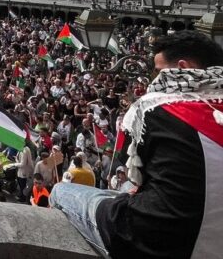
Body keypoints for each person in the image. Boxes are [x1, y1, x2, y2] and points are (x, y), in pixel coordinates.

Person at [51, 30, 223, 258]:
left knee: (61, 191)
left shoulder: (155, 106)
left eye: (159, 71)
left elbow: (136, 180)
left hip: (158, 240)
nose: (154, 79)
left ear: (182, 68)